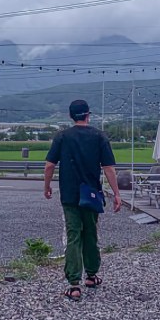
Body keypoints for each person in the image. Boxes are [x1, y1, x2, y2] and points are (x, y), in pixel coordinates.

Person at [43, 99, 122, 301]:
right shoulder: (99, 136)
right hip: (92, 195)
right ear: (88, 114)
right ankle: (92, 274)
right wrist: (117, 194)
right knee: (90, 233)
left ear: (71, 116)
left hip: (69, 195)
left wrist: (47, 186)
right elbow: (109, 169)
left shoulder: (62, 136)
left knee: (73, 236)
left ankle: (73, 283)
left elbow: (49, 165)